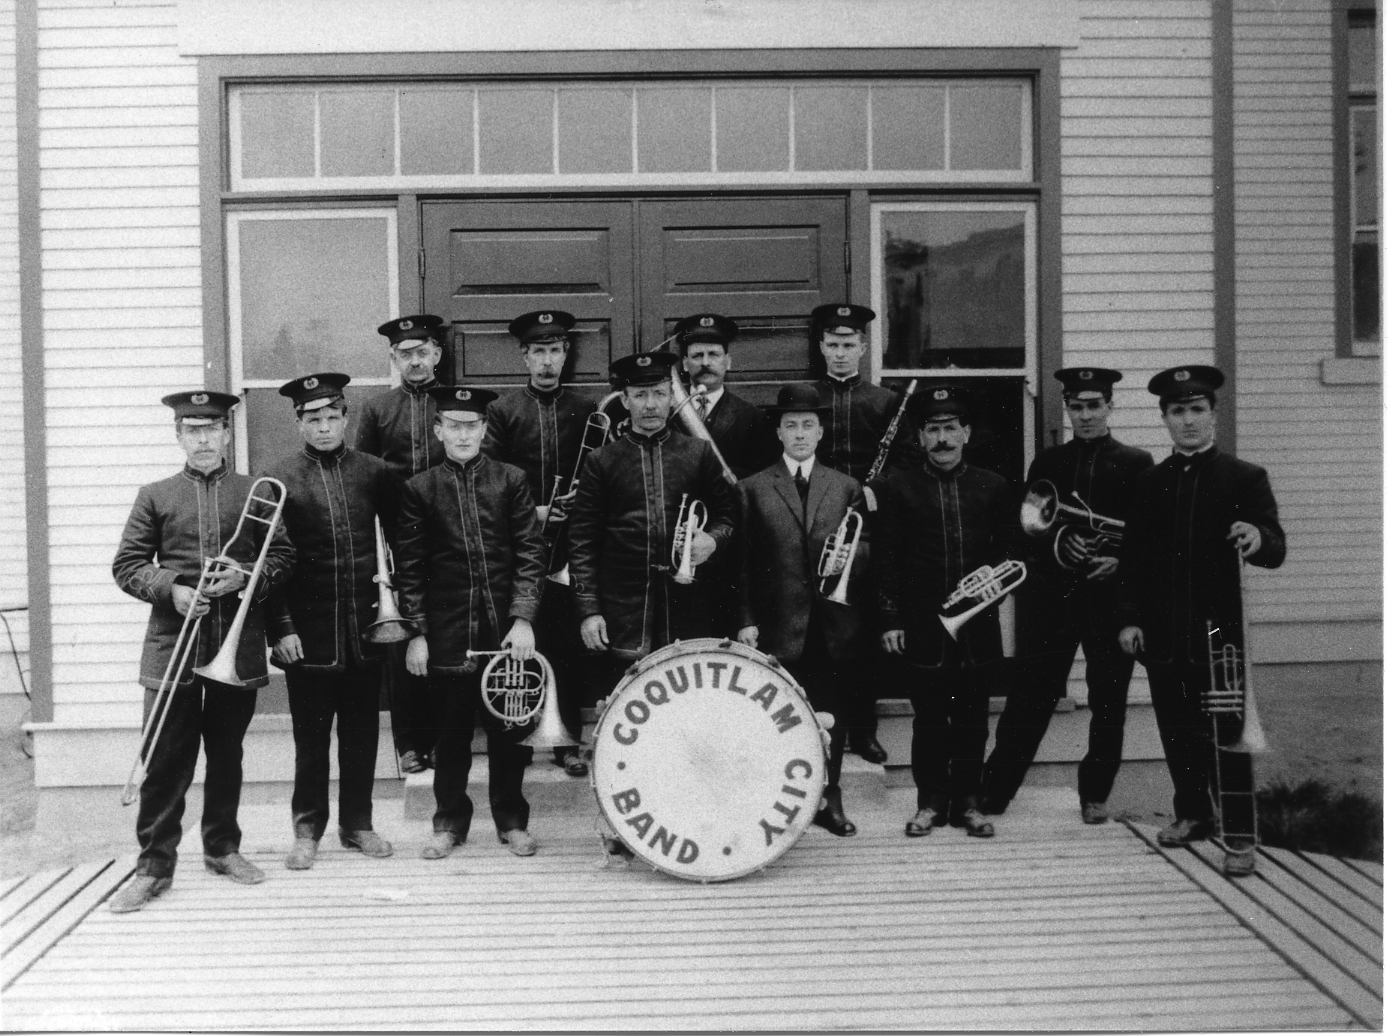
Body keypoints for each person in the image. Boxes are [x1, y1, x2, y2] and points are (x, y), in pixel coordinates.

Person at [109, 390, 295, 912]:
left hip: (235, 647)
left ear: (227, 434)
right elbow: (127, 565)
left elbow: (281, 556)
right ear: (179, 436)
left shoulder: (255, 492)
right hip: (173, 647)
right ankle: (153, 866)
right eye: (193, 430)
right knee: (166, 761)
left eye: (213, 429)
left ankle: (222, 848)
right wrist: (171, 588)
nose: (204, 439)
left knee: (227, 755)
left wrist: (245, 577)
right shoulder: (155, 495)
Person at [1117, 365, 1285, 876]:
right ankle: (1192, 814)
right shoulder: (1148, 482)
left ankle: (1239, 836)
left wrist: (1256, 537)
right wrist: (1128, 619)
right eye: (1177, 412)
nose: (1187, 421)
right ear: (1164, 418)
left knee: (1227, 731)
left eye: (1196, 410)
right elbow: (1133, 560)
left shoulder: (1244, 476)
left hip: (1217, 633)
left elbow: (1274, 546)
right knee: (1176, 726)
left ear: (1213, 414)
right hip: (1164, 629)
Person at [982, 368, 1154, 824]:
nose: (1085, 415)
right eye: (1076, 407)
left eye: (1094, 406)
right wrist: (1059, 544)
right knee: (1030, 696)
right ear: (1068, 408)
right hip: (1055, 600)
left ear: (1110, 407)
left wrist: (1119, 560)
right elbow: (1027, 529)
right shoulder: (1049, 463)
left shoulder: (1137, 462)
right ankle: (995, 793)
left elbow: (1150, 536)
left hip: (1111, 600)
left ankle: (1094, 795)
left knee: (1109, 700)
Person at [394, 384, 548, 860]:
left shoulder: (511, 480)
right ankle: (449, 823)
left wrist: (522, 619)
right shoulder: (420, 489)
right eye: (454, 426)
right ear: (438, 430)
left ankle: (511, 820)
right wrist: (417, 633)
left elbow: (530, 552)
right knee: (451, 732)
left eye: (472, 426)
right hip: (447, 631)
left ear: (485, 429)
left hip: (504, 629)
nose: (463, 435)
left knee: (511, 728)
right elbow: (412, 568)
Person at [264, 373, 399, 871]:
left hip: (368, 628)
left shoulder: (376, 472)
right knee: (311, 739)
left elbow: (400, 547)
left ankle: (357, 824)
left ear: (345, 418)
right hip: (308, 635)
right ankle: (307, 828)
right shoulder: (277, 477)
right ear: (299, 422)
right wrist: (280, 628)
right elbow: (267, 563)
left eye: (331, 417)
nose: (323, 427)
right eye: (312, 419)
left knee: (362, 733)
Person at [878, 385, 1016, 839]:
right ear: (919, 437)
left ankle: (969, 804)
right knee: (931, 717)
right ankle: (931, 803)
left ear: (967, 433)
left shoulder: (992, 486)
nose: (942, 438)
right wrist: (891, 617)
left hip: (978, 621)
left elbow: (1012, 552)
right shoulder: (899, 486)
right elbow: (888, 557)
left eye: (950, 429)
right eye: (933, 430)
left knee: (974, 716)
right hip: (922, 620)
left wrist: (989, 588)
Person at [737, 383, 871, 837]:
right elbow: (743, 565)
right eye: (790, 425)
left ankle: (828, 800)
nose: (799, 433)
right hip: (777, 626)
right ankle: (775, 802)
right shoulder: (752, 487)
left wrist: (848, 555)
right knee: (774, 719)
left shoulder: (846, 486)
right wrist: (745, 620)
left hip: (832, 623)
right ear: (778, 432)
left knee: (831, 713)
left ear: (820, 431)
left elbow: (864, 551)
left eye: (807, 425)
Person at [567, 351, 737, 680]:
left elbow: (729, 517)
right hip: (623, 615)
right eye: (640, 395)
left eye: (659, 393)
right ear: (625, 401)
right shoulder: (601, 461)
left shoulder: (698, 453)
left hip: (688, 609)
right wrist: (589, 611)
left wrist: (712, 541)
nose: (650, 405)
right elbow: (582, 542)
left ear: (672, 397)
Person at [482, 309, 596, 778]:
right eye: (539, 352)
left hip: (572, 545)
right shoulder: (503, 410)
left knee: (568, 644)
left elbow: (601, 474)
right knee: (525, 643)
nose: (547, 362)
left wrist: (578, 505)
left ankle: (567, 738)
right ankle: (521, 736)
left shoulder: (588, 409)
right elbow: (491, 483)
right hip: (519, 544)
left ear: (566, 354)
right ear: (524, 356)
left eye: (555, 351)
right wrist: (539, 511)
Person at [811, 302, 914, 765]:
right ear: (820, 347)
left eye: (848, 345)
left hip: (868, 531)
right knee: (821, 636)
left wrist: (877, 487)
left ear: (863, 348)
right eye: (832, 345)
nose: (839, 354)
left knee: (865, 634)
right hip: (817, 530)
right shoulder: (806, 398)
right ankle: (822, 727)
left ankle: (863, 730)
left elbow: (909, 462)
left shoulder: (886, 401)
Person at [355, 314, 447, 775]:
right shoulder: (376, 410)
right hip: (394, 537)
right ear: (394, 358)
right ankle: (410, 743)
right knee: (401, 634)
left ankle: (450, 735)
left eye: (422, 352)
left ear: (437, 355)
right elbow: (364, 476)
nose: (415, 360)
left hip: (450, 533)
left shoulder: (453, 404)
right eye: (405, 354)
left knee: (446, 629)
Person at [671, 313, 778, 480]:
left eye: (713, 354)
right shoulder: (667, 413)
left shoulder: (754, 418)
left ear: (728, 361)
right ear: (685, 364)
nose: (705, 362)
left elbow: (762, 478)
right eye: (697, 355)